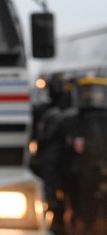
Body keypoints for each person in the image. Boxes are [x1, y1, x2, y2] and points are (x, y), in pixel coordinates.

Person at [42, 77, 107, 235]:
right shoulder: (67, 122)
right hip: (75, 186)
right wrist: (51, 192)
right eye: (86, 93)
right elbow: (52, 159)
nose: (92, 97)